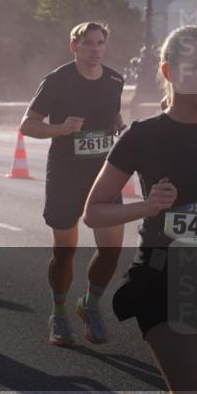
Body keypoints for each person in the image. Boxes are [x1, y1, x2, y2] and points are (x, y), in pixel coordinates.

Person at [84, 25, 197, 394]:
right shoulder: (143, 136)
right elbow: (94, 212)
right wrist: (147, 207)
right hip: (164, 279)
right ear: (169, 72)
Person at [19, 22, 126, 346]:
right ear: (74, 46)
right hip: (66, 173)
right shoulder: (57, 80)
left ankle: (90, 305)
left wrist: (121, 127)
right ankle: (59, 313)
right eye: (88, 43)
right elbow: (27, 125)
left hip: (104, 176)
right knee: (65, 251)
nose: (94, 49)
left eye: (100, 43)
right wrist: (61, 128)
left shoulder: (114, 80)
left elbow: (114, 116)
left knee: (111, 250)